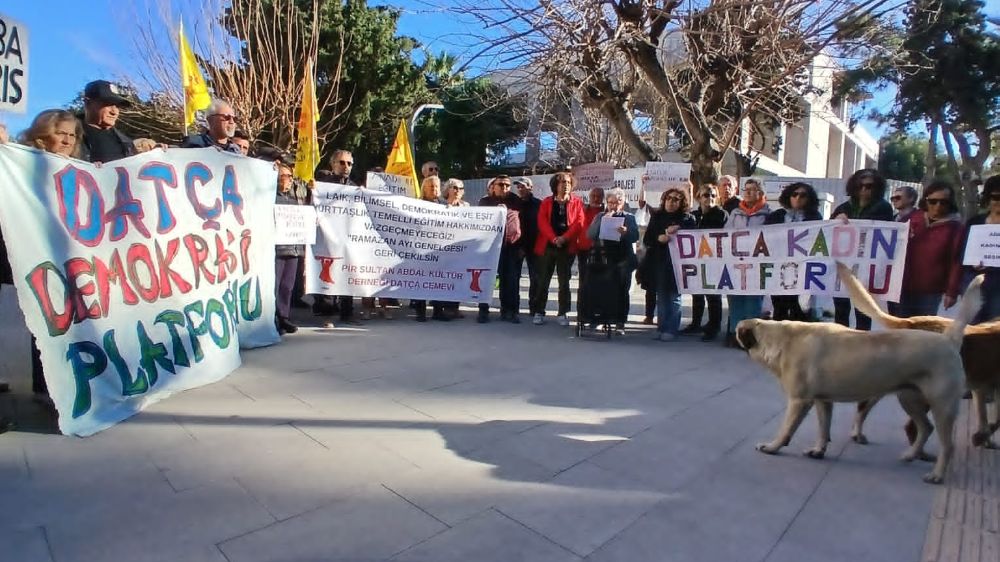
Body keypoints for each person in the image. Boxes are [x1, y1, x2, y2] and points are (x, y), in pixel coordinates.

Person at [3, 109, 87, 410]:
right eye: (60, 132)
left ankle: (68, 381)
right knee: (45, 316)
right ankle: (46, 387)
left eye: (72, 134)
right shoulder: (20, 161)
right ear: (42, 134)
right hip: (36, 252)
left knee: (67, 317)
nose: (67, 139)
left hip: (68, 254)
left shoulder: (78, 168)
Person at [831, 169, 894, 330]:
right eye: (860, 185)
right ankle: (841, 340)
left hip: (866, 266)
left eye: (869, 186)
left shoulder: (884, 208)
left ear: (877, 187)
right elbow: (827, 231)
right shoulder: (843, 207)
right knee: (841, 308)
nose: (864, 189)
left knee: (864, 309)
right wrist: (835, 221)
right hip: (843, 265)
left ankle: (863, 345)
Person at [892, 180, 964, 319]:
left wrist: (951, 292)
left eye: (944, 202)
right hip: (902, 287)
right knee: (899, 332)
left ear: (950, 203)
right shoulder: (911, 219)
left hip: (931, 291)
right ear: (926, 201)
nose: (938, 206)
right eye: (933, 201)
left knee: (922, 333)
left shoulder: (955, 228)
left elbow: (956, 262)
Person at [764, 182, 823, 321]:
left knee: (800, 310)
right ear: (788, 197)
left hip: (802, 270)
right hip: (780, 270)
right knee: (779, 308)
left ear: (809, 199)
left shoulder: (815, 218)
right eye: (794, 194)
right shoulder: (776, 216)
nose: (798, 198)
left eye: (803, 195)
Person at [532, 172, 585, 326]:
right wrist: (554, 238)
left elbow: (579, 222)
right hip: (547, 246)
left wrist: (565, 238)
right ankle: (539, 311)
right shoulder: (547, 202)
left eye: (568, 182)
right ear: (555, 185)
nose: (565, 185)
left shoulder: (577, 202)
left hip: (566, 247)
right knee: (543, 281)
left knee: (564, 283)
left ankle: (563, 313)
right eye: (562, 182)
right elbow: (542, 222)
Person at [644, 188, 697, 341]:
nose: (671, 202)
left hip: (678, 264)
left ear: (682, 203)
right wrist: (659, 238)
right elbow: (648, 239)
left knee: (674, 296)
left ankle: (671, 329)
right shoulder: (657, 216)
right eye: (669, 198)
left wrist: (680, 229)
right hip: (659, 262)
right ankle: (661, 327)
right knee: (661, 296)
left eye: (676, 199)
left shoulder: (687, 218)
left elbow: (694, 239)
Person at [312, 150, 358, 326]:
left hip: (347, 237)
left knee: (347, 272)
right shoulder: (323, 186)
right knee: (327, 273)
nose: (346, 166)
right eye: (342, 163)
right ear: (333, 165)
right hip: (327, 237)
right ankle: (327, 313)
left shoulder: (355, 187)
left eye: (349, 163)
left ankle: (347, 312)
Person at [585, 188, 639, 334]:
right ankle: (601, 319)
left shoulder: (629, 217)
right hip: (603, 259)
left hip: (623, 259)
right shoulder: (600, 216)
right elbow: (590, 234)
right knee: (603, 290)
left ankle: (620, 322)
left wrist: (626, 232)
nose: (613, 206)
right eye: (610, 203)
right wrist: (603, 220)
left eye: (616, 203)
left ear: (622, 203)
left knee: (622, 290)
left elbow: (635, 236)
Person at [724, 178, 771, 346]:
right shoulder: (736, 213)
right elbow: (725, 235)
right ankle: (735, 334)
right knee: (735, 299)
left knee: (753, 300)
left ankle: (751, 337)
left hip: (756, 265)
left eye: (753, 189)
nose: (749, 192)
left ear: (761, 193)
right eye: (747, 189)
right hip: (736, 263)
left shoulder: (768, 215)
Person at [682, 184, 728, 340]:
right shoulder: (694, 215)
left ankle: (714, 326)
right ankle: (695, 323)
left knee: (713, 294)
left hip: (714, 260)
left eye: (713, 195)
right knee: (697, 293)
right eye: (706, 195)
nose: (710, 198)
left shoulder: (721, 214)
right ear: (699, 198)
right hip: (696, 260)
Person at [477, 175, 523, 323]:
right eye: (501, 185)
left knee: (511, 281)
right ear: (493, 187)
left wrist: (522, 246)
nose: (504, 188)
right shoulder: (485, 202)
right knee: (486, 280)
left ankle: (510, 311)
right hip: (489, 249)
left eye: (507, 185)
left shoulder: (516, 201)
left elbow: (525, 224)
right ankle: (483, 311)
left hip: (511, 247)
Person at [958, 175, 1000, 323]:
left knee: (993, 331)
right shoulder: (975, 222)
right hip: (974, 282)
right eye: (996, 197)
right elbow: (962, 253)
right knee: (970, 329)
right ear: (988, 198)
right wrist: (972, 263)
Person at [273, 162, 306, 335]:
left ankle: (284, 317)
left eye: (290, 176)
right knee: (275, 286)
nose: (287, 180)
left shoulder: (296, 200)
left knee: (287, 286)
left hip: (294, 249)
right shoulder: (271, 197)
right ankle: (273, 319)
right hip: (276, 249)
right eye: (283, 176)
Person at [412, 176, 451, 321]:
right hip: (421, 247)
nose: (434, 189)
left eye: (436, 187)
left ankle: (438, 310)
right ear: (424, 189)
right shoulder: (416, 204)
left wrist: (451, 212)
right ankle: (420, 311)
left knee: (438, 280)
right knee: (421, 280)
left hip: (439, 248)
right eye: (431, 187)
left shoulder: (444, 205)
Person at [79, 80, 135, 163]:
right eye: (108, 104)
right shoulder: (68, 136)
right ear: (88, 103)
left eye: (117, 106)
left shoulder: (127, 144)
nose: (114, 112)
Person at [514, 177, 542, 319]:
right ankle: (513, 308)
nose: (520, 189)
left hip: (534, 246)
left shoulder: (539, 204)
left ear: (531, 187)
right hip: (517, 246)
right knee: (514, 278)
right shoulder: (514, 204)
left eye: (523, 186)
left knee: (535, 279)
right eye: (518, 187)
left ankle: (535, 308)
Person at [577, 187, 606, 309]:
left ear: (603, 197)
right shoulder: (582, 209)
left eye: (598, 196)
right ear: (589, 197)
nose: (595, 198)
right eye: (593, 196)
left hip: (601, 251)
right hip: (583, 250)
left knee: (600, 282)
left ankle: (597, 310)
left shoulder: (606, 211)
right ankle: (582, 310)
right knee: (584, 281)